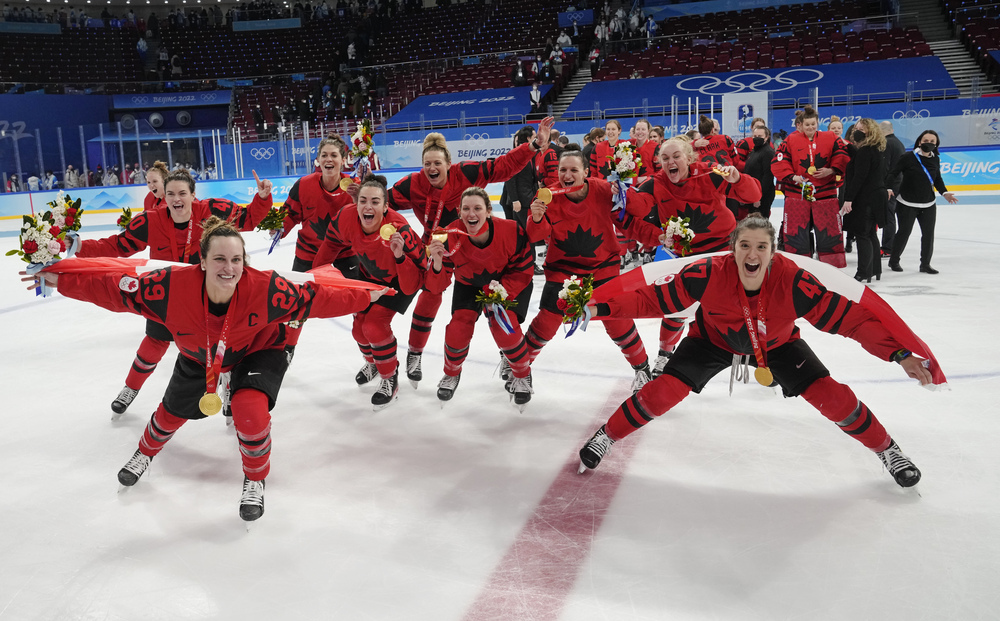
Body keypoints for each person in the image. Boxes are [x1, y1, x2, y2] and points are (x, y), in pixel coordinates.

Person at [26, 217, 384, 522]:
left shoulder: (266, 288)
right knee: (170, 413)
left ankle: (255, 479)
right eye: (219, 259)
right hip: (202, 355)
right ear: (201, 261)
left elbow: (316, 298)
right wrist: (61, 280)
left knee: (249, 409)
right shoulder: (166, 288)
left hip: (258, 348)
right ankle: (144, 454)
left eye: (237, 259)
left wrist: (365, 296)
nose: (229, 268)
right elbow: (112, 289)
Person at [577, 216, 937, 490]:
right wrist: (599, 308)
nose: (752, 254)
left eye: (761, 247)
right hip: (711, 341)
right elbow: (652, 299)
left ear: (772, 251)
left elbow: (851, 320)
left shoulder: (794, 280)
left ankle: (887, 450)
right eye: (744, 245)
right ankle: (606, 435)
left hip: (777, 345)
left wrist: (899, 353)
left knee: (834, 398)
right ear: (731, 248)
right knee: (659, 393)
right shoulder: (705, 272)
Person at [75, 167, 273, 416]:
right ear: (164, 196)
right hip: (166, 296)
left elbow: (248, 220)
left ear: (193, 195)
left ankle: (229, 385)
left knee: (222, 344)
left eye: (182, 193)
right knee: (154, 342)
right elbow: (117, 245)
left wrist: (263, 198)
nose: (176, 199)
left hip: (209, 295)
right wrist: (80, 246)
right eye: (170, 194)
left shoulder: (212, 211)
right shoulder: (151, 220)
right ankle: (130, 389)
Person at [387, 117, 555, 389]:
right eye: (427, 164)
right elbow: (382, 204)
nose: (432, 168)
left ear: (448, 164)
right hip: (438, 246)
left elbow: (502, 166)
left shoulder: (465, 173)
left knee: (497, 301)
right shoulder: (413, 184)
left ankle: (507, 353)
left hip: (469, 243)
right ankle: (415, 353)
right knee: (431, 293)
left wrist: (533, 145)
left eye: (437, 163)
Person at [625, 137, 758, 377]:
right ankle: (665, 355)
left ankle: (754, 353)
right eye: (665, 158)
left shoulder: (711, 173)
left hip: (723, 251)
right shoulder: (655, 183)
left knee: (739, 305)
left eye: (676, 156)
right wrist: (620, 190)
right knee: (675, 307)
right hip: (684, 255)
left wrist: (737, 178)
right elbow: (636, 209)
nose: (670, 162)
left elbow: (752, 194)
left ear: (689, 157)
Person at [525, 150, 653, 392]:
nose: (567, 174)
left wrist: (627, 196)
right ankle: (518, 367)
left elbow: (632, 218)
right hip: (563, 270)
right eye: (563, 170)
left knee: (618, 321)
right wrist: (537, 218)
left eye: (574, 170)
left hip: (603, 268)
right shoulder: (548, 196)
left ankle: (642, 369)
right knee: (547, 322)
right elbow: (535, 236)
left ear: (586, 172)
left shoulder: (604, 190)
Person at [313, 175, 425, 409]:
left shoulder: (399, 230)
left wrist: (400, 257)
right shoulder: (346, 216)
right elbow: (331, 243)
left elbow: (416, 277)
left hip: (402, 280)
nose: (368, 206)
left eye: (375, 202)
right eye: (363, 200)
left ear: (385, 207)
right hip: (369, 277)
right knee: (358, 328)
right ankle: (374, 362)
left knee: (373, 326)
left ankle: (389, 378)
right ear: (356, 204)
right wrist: (316, 276)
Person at [426, 187, 535, 407]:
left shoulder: (511, 230)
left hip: (508, 281)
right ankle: (451, 373)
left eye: (477, 208)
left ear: (488, 211)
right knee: (458, 328)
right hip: (469, 285)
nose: (471, 214)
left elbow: (524, 268)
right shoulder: (447, 236)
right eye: (466, 209)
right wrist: (437, 262)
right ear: (459, 212)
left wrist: (501, 292)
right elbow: (436, 285)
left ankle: (522, 375)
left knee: (504, 326)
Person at [771, 105, 850, 267]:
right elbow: (779, 161)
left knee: (830, 231)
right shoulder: (790, 140)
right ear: (800, 124)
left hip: (825, 194)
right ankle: (799, 264)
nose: (810, 127)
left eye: (813, 124)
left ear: (818, 123)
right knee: (797, 231)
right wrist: (792, 176)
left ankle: (832, 264)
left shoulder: (830, 137)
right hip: (797, 194)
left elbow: (842, 155)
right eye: (807, 125)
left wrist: (831, 170)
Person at [887, 130, 958, 275]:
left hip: (928, 203)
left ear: (936, 144)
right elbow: (893, 173)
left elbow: (937, 179)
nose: (929, 143)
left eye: (932, 141)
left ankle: (925, 264)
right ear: (920, 142)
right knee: (904, 232)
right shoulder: (908, 157)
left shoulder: (935, 159)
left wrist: (944, 193)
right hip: (907, 203)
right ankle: (894, 260)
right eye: (926, 140)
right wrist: (888, 187)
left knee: (928, 234)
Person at [841, 118, 887, 283]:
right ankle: (875, 269)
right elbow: (861, 161)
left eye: (862, 129)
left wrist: (848, 199)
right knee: (870, 233)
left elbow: (859, 177)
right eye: (856, 128)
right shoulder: (873, 149)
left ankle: (863, 272)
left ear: (870, 132)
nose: (857, 131)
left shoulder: (866, 151)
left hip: (866, 198)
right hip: (876, 196)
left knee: (862, 234)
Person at [499, 126, 539, 229]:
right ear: (528, 138)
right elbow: (510, 178)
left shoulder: (532, 154)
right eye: (535, 137)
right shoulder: (517, 154)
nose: (537, 139)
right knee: (522, 231)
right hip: (520, 201)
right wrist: (515, 200)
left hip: (528, 200)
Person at [880, 120, 905, 256]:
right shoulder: (898, 142)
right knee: (890, 214)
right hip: (896, 183)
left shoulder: (888, 143)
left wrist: (885, 185)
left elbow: (886, 167)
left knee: (889, 215)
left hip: (891, 185)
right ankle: (888, 246)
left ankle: (887, 248)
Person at [742, 125, 776, 220]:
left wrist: (758, 197)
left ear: (766, 138)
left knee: (760, 223)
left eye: (760, 136)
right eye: (755, 136)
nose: (757, 138)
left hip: (762, 195)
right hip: (753, 193)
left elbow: (768, 177)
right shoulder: (754, 151)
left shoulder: (768, 152)